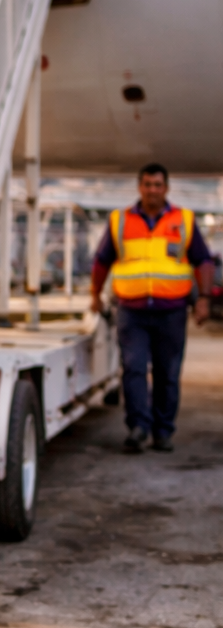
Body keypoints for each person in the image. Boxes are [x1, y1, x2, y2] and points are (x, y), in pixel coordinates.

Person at [90, 163, 213, 453]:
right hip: (131, 311)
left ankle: (163, 431)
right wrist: (95, 294)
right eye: (147, 184)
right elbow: (102, 260)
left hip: (171, 311)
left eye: (158, 185)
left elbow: (203, 260)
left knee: (167, 373)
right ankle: (138, 427)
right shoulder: (120, 221)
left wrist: (204, 298)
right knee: (133, 368)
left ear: (166, 188)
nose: (152, 190)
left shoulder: (183, 220)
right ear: (139, 187)